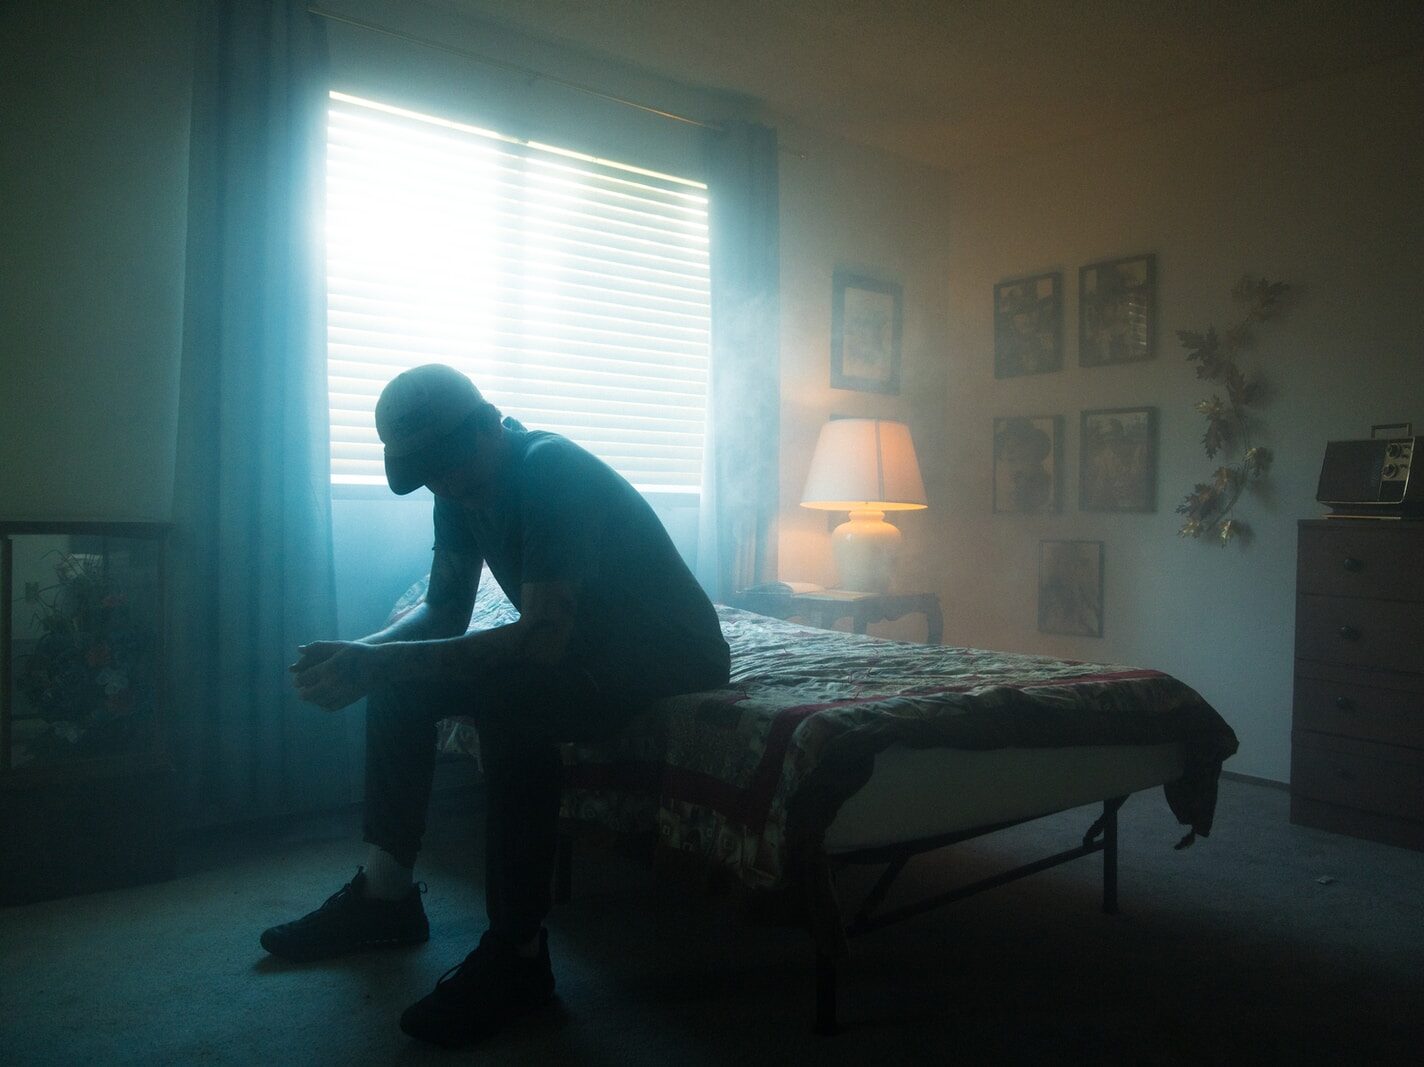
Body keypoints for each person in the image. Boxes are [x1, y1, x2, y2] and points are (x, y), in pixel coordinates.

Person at [259, 364, 730, 1049]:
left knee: (512, 698)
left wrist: (378, 660)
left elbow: (539, 641)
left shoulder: (549, 472)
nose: (446, 484)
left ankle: (519, 955)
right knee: (399, 684)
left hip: (665, 655)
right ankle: (384, 896)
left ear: (491, 423)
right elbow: (444, 607)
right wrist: (362, 654)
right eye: (429, 474)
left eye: (450, 465)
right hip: (578, 646)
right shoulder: (458, 487)